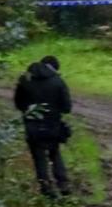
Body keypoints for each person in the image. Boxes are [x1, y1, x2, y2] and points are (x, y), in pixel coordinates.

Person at [14, 56, 73, 197]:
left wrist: (30, 111)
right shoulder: (58, 82)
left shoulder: (25, 80)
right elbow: (67, 108)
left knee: (38, 156)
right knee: (54, 152)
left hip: (32, 125)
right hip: (53, 125)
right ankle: (63, 183)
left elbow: (18, 103)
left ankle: (46, 187)